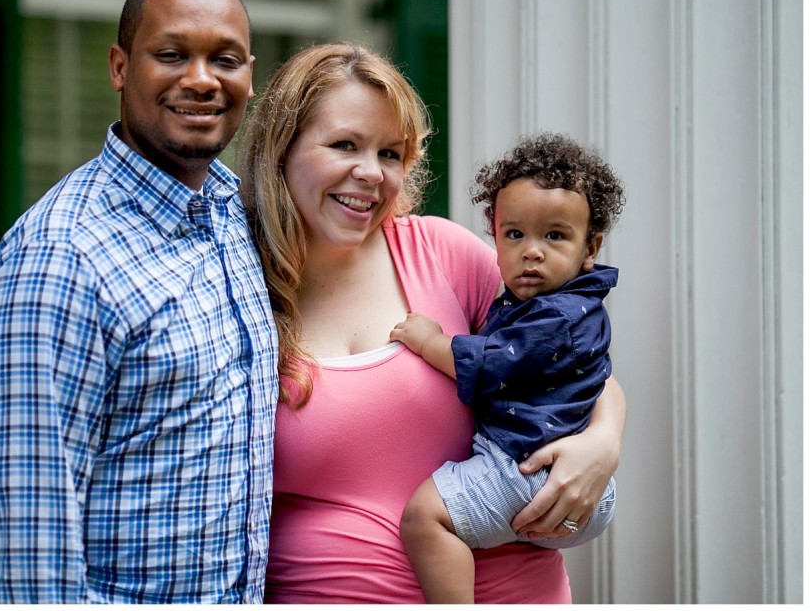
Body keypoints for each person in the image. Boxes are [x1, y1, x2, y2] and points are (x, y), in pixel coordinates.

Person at [236, 42, 626, 603]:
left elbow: (567, 360)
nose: (370, 172)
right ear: (281, 149)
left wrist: (604, 443)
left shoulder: (441, 253)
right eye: (345, 144)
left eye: (390, 153)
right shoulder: (237, 283)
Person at [0, 0, 279, 603]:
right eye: (172, 55)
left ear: (249, 74)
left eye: (224, 59)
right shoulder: (62, 253)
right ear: (120, 67)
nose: (201, 80)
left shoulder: (240, 216)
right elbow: (33, 530)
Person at [389, 132, 626, 602]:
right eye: (514, 234)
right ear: (493, 236)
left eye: (554, 236)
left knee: (426, 519)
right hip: (542, 474)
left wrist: (431, 341)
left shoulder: (556, 315)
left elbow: (491, 361)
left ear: (591, 247)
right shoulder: (543, 302)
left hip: (531, 469)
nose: (531, 251)